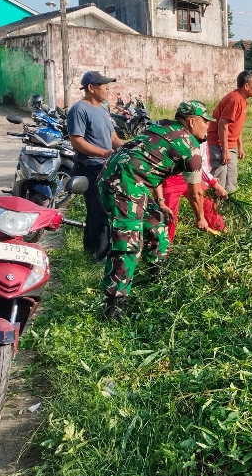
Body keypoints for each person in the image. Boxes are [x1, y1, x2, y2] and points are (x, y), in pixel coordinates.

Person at [98, 101, 215, 319]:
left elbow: (152, 167)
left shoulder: (161, 127)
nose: (207, 126)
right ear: (192, 121)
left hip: (117, 175)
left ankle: (156, 276)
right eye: (205, 121)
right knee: (128, 241)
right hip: (124, 184)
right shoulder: (190, 148)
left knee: (156, 222)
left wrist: (160, 202)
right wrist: (201, 219)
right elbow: (196, 193)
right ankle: (115, 305)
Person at [67, 71, 123, 261]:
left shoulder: (102, 110)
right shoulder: (79, 109)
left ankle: (90, 251)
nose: (108, 89)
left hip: (103, 167)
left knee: (96, 211)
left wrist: (132, 147)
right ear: (91, 88)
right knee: (100, 211)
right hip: (89, 168)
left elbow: (113, 139)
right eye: (104, 86)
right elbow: (76, 141)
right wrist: (104, 153)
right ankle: (101, 257)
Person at [206, 70, 252, 194]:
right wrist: (224, 151)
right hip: (219, 145)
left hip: (230, 146)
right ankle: (213, 211)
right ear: (246, 86)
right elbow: (222, 125)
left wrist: (239, 146)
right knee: (219, 181)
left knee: (231, 181)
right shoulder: (234, 99)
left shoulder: (242, 100)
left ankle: (227, 209)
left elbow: (236, 126)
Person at [161, 142, 228, 241]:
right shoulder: (180, 135)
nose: (206, 127)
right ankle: (163, 249)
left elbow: (202, 159)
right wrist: (214, 184)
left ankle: (223, 234)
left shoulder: (202, 133)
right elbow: (194, 162)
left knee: (207, 204)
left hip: (191, 175)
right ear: (192, 125)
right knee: (168, 215)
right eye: (205, 125)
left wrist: (209, 179)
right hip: (170, 177)